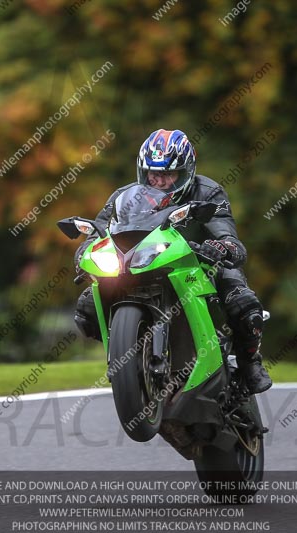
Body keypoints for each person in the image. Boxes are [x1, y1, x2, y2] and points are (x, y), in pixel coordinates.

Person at [73, 128, 273, 393]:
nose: (160, 181)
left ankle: (250, 363)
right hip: (139, 263)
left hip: (201, 263)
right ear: (143, 172)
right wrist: (85, 251)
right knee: (86, 307)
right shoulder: (125, 196)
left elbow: (228, 235)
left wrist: (223, 247)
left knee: (243, 302)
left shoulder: (208, 192)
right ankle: (132, 354)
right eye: (153, 174)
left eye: (169, 174)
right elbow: (99, 231)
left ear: (186, 171)